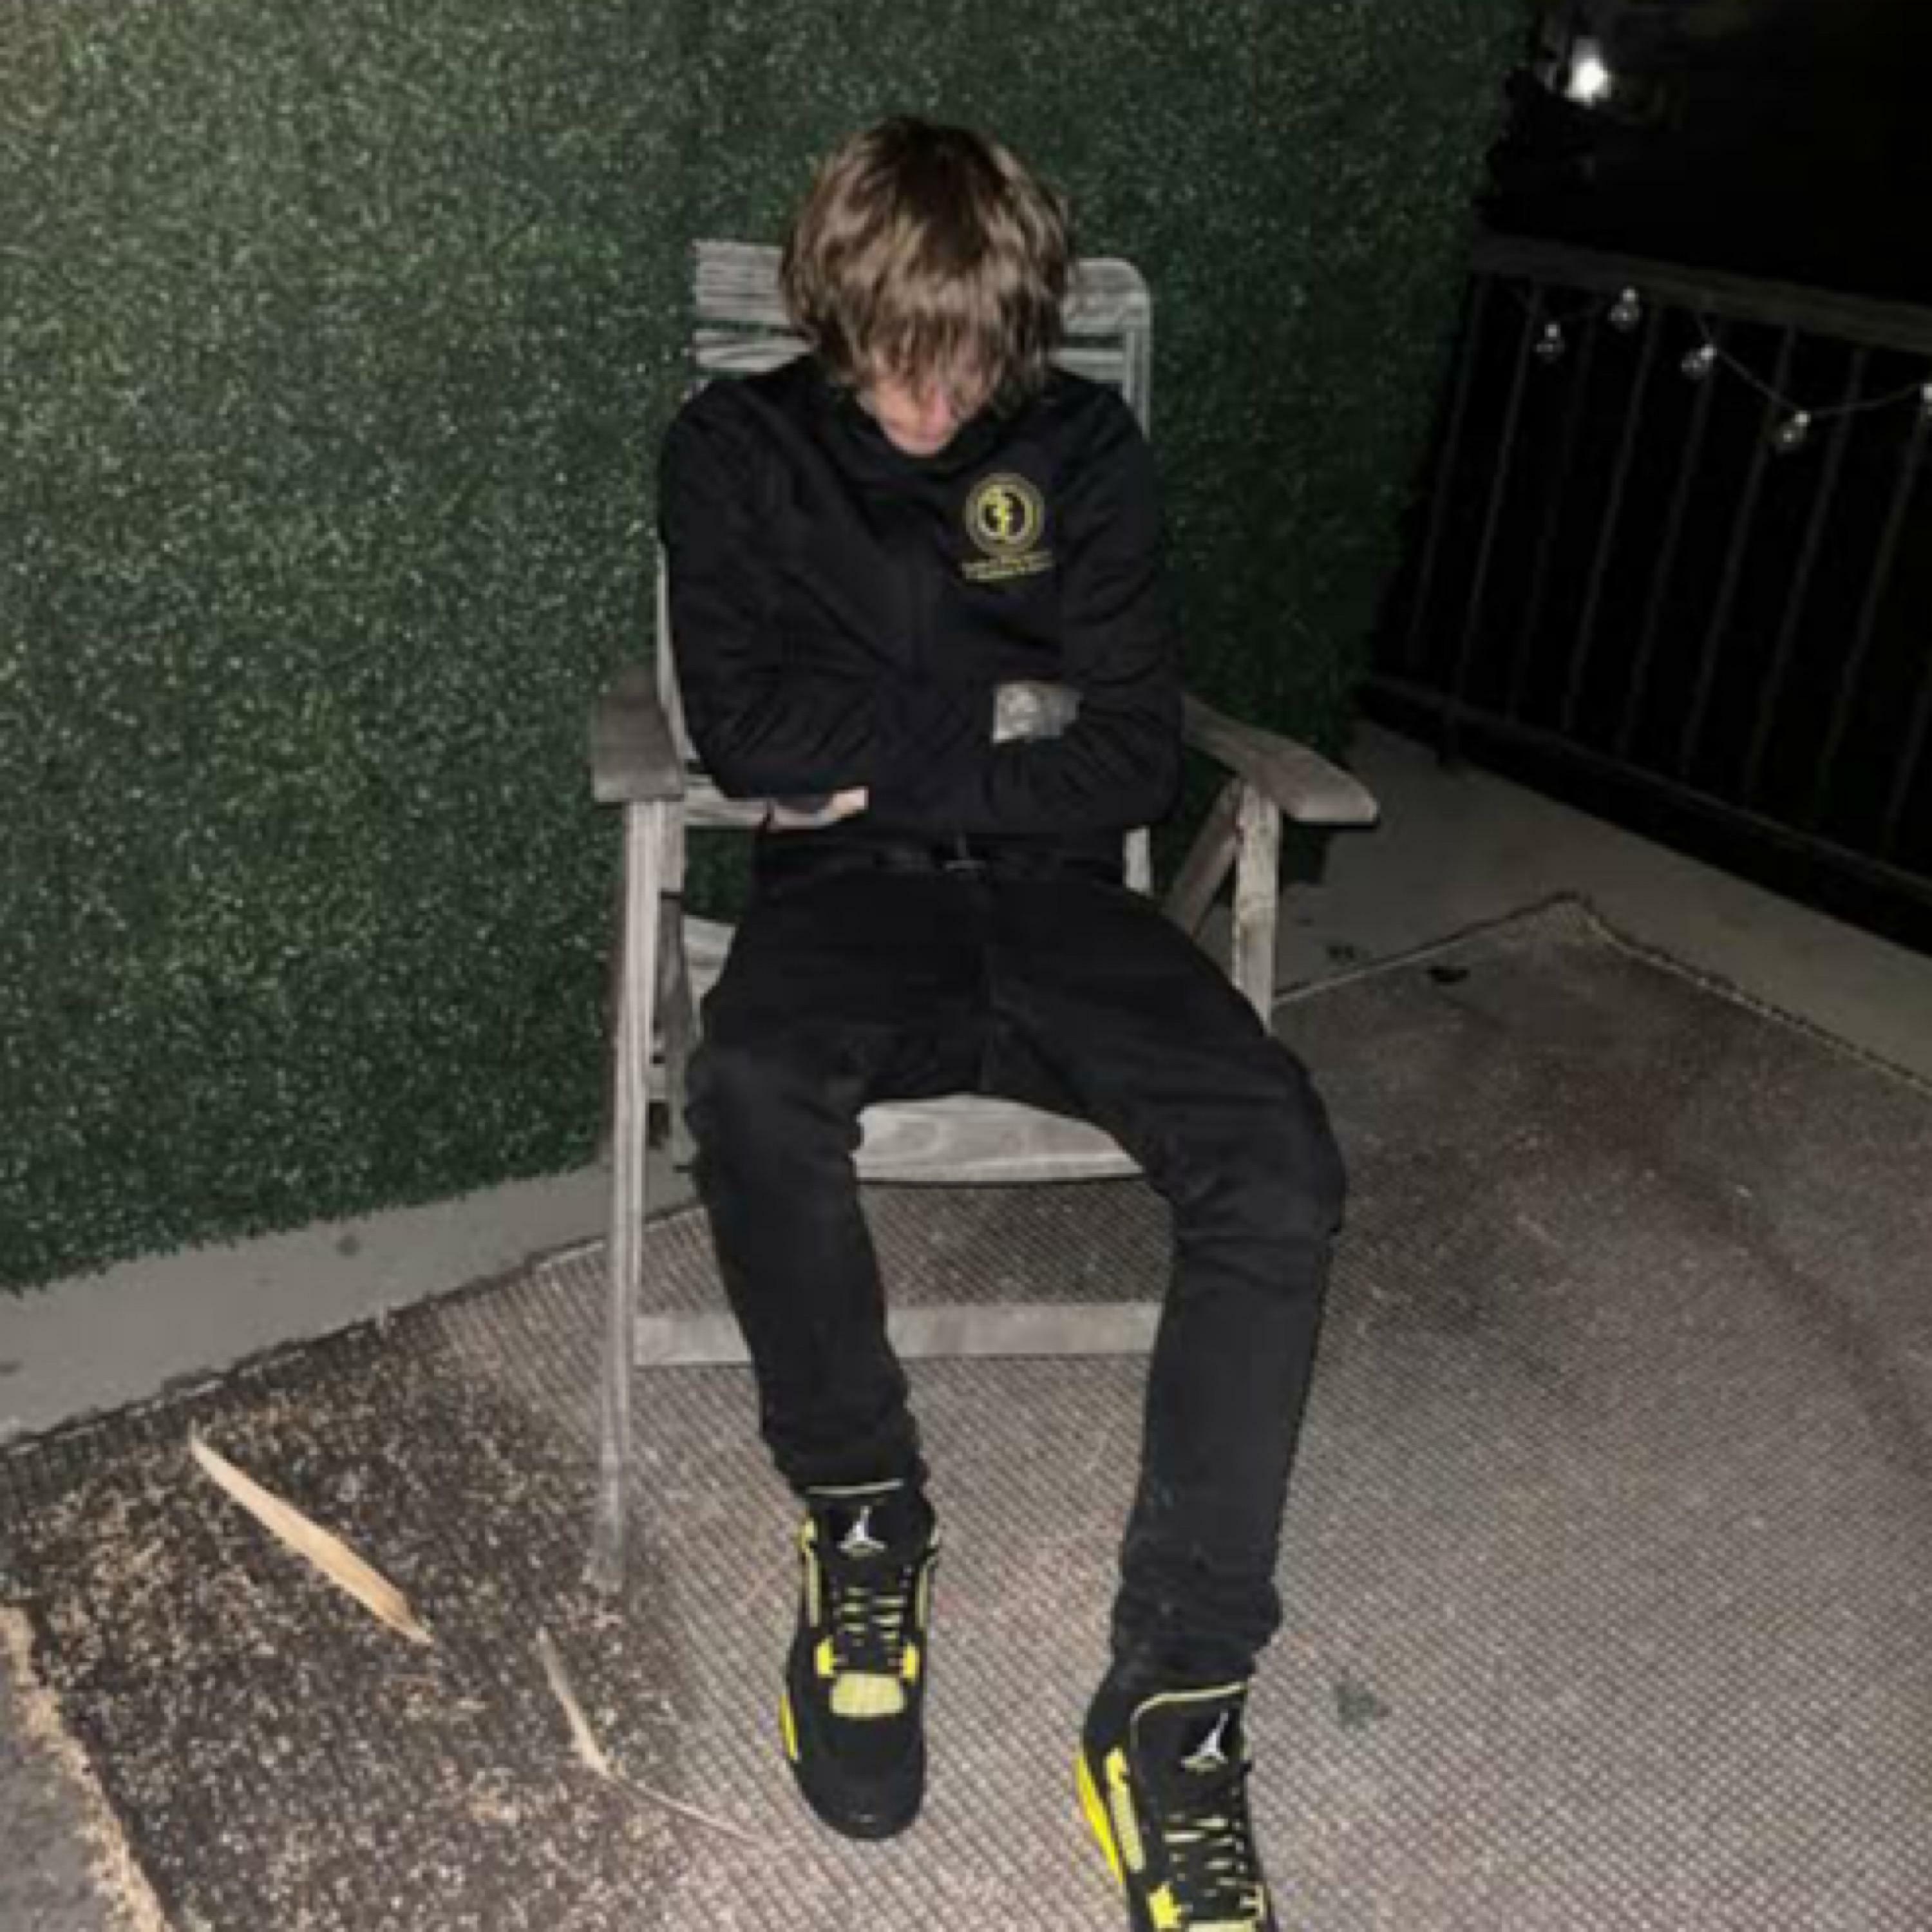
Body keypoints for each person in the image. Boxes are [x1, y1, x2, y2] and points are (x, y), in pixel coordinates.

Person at [658, 116, 1346, 1931]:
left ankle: (1174, 1698)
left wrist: (872, 749)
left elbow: (1127, 757)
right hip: (843, 906)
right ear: (832, 308)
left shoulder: (1083, 448)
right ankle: (864, 1509)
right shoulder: (733, 449)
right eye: (903, 351)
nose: (937, 397)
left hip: (1062, 905)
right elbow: (741, 736)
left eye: (973, 358)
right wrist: (1002, 720)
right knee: (749, 1085)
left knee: (1277, 1157)